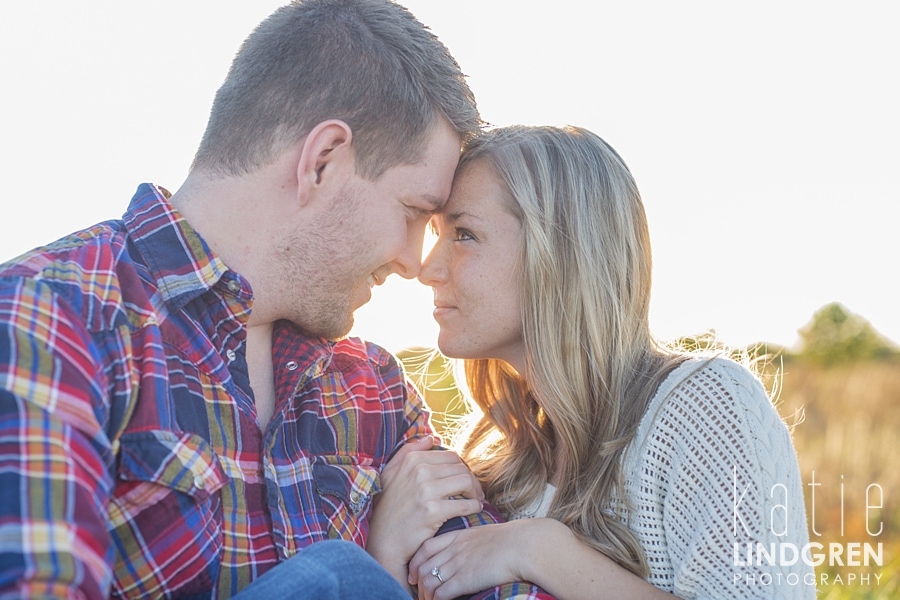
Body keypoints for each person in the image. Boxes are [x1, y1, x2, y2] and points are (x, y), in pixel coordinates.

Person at [0, 1, 526, 598]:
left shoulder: (372, 386)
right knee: (339, 578)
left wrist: (537, 550)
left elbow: (499, 586)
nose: (414, 262)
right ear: (322, 161)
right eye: (412, 214)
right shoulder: (52, 317)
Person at [395, 125, 815, 599]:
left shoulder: (705, 408)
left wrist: (542, 550)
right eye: (437, 233)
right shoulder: (494, 458)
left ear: (561, 252)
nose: (427, 268)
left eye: (464, 234)